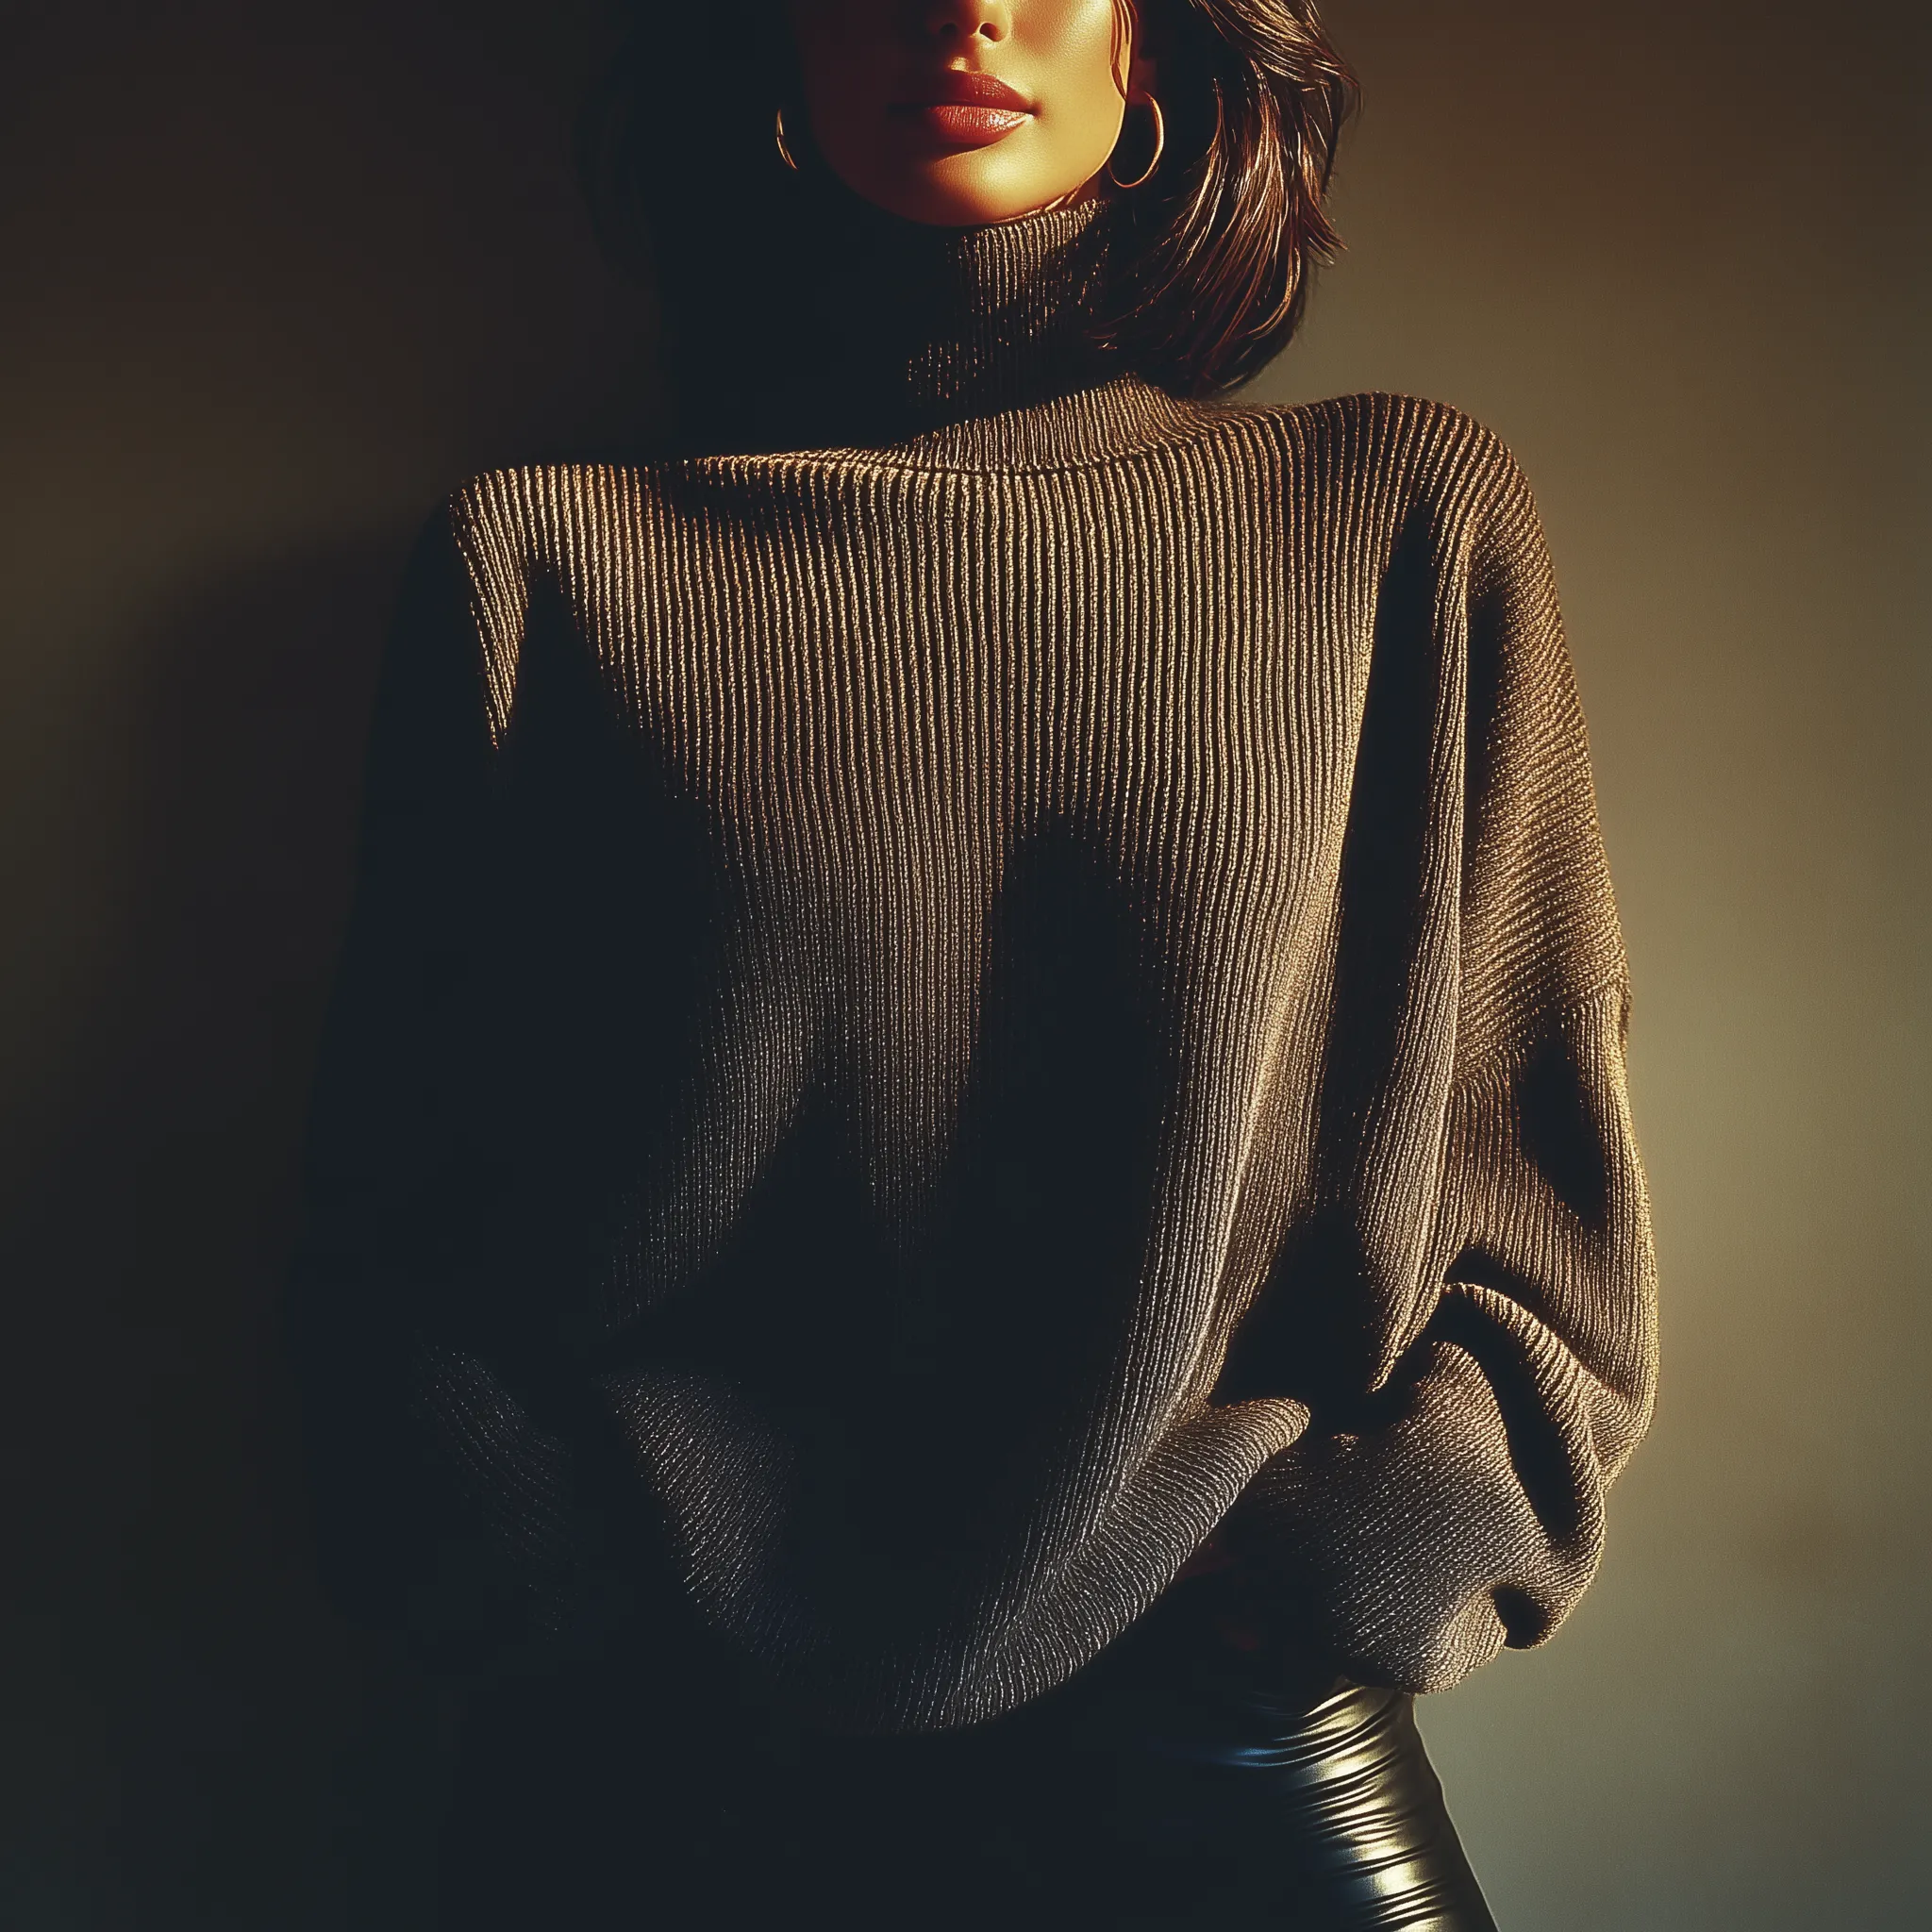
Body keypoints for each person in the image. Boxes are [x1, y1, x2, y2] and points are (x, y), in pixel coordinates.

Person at [293, 2, 1657, 1924]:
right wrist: (554, 1556)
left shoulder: (1397, 521)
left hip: (1231, 1724)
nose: (963, 6)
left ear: (1165, 52)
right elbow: (388, 1216)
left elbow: (1540, 1185)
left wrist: (1349, 1561)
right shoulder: (544, 567)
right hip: (655, 1744)